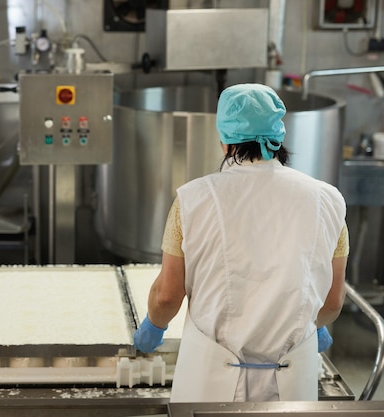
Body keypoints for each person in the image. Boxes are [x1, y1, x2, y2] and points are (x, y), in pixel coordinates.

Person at [133, 83, 349, 402]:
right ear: (279, 138)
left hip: (209, 386)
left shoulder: (192, 200)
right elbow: (332, 301)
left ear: (224, 140)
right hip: (292, 386)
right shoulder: (328, 201)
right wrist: (309, 324)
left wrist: (153, 325)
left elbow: (167, 295)